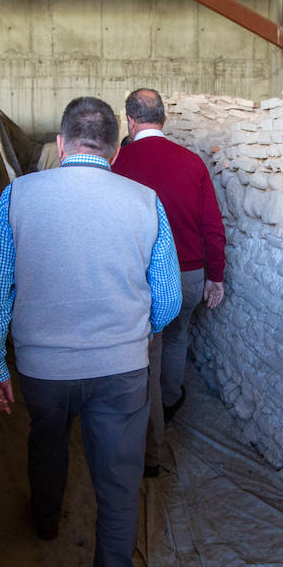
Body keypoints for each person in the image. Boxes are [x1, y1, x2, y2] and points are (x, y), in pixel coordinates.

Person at [0, 96, 181, 567]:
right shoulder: (145, 200)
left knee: (46, 439)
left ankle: (46, 518)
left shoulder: (18, 196)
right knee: (117, 489)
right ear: (114, 150)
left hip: (42, 367)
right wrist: (132, 333)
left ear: (62, 145)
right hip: (122, 370)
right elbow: (168, 299)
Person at [111, 88, 226, 476]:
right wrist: (216, 276)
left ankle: (146, 428)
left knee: (143, 355)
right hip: (190, 273)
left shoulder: (117, 162)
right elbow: (213, 225)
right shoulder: (192, 163)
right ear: (164, 119)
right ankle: (171, 401)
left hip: (139, 276)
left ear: (129, 119)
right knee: (177, 338)